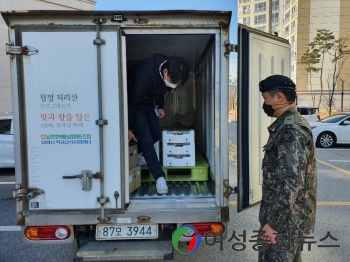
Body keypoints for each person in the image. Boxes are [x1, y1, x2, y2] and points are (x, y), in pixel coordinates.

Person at [258, 75, 317, 262]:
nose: (265, 103)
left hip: (284, 225)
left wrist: (274, 224)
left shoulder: (290, 130)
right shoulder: (288, 125)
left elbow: (291, 181)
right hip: (288, 221)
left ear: (279, 98)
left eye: (266, 98)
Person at [127, 53, 190, 194]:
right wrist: (128, 127)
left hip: (149, 104)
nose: (173, 86)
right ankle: (159, 177)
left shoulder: (165, 69)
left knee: (155, 134)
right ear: (165, 71)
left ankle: (140, 153)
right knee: (147, 140)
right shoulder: (145, 75)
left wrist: (160, 106)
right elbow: (132, 102)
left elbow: (161, 89)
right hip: (135, 105)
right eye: (173, 82)